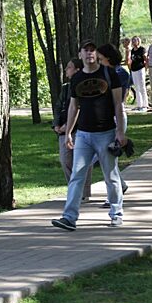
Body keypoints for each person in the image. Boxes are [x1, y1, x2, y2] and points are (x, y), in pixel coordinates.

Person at [51, 39, 127, 231]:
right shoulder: (76, 79)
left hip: (106, 133)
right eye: (86, 50)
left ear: (97, 55)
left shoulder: (109, 74)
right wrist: (68, 132)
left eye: (93, 50)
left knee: (111, 175)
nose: (90, 53)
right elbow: (73, 107)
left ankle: (116, 213)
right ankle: (69, 217)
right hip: (83, 135)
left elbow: (119, 105)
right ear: (80, 55)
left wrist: (120, 132)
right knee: (77, 175)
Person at [53, 58, 93, 202]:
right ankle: (74, 188)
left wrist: (70, 126)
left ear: (77, 70)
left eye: (69, 67)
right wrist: (57, 125)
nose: (66, 70)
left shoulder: (84, 86)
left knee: (83, 161)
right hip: (63, 130)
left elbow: (81, 109)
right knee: (65, 160)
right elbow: (58, 107)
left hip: (80, 129)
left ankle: (83, 193)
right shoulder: (65, 88)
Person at [96, 43, 130, 208]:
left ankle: (113, 196)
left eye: (100, 58)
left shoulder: (119, 73)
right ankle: (120, 186)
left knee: (108, 159)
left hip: (116, 118)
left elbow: (117, 99)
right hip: (104, 118)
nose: (98, 61)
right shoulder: (103, 73)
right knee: (107, 160)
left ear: (108, 58)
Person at [130, 36, 149, 112]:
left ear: (138, 41)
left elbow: (146, 59)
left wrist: (146, 68)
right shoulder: (132, 51)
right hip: (134, 70)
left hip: (140, 69)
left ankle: (145, 105)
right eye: (133, 40)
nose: (134, 42)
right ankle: (139, 105)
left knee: (142, 86)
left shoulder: (142, 49)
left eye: (135, 40)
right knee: (137, 87)